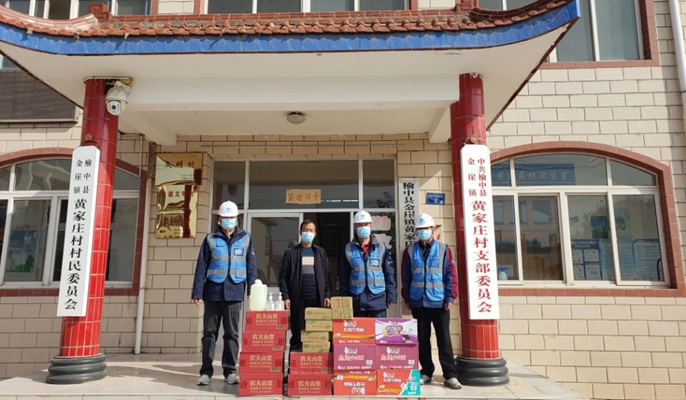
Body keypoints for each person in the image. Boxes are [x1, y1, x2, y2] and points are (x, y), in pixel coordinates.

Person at [191, 200, 257, 386]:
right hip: (213, 292)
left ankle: (230, 371)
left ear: (237, 218)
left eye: (232, 217)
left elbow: (251, 267)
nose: (229, 220)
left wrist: (252, 290)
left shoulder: (246, 238)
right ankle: (206, 371)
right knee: (209, 333)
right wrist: (197, 292)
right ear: (219, 219)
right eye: (226, 217)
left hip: (234, 292)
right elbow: (201, 267)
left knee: (232, 333)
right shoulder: (210, 239)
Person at [401, 213, 461, 390]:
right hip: (418, 301)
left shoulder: (443, 249)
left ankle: (450, 374)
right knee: (422, 339)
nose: (423, 231)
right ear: (416, 231)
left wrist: (451, 296)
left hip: (440, 301)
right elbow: (406, 276)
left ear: (432, 229)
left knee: (444, 339)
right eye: (419, 229)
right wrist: (407, 297)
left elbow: (450, 275)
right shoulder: (409, 251)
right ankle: (426, 372)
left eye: (426, 228)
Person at [279, 220, 332, 351]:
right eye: (305, 230)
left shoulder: (320, 253)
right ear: (300, 232)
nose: (308, 233)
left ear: (315, 233)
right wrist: (286, 296)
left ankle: (314, 362)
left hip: (317, 299)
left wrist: (327, 295)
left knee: (316, 334)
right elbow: (283, 277)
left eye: (310, 230)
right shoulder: (291, 253)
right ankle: (295, 362)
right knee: (298, 334)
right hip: (298, 300)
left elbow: (327, 276)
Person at [339, 210, 396, 317]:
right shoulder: (348, 249)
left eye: (366, 224)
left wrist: (391, 295)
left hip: (378, 299)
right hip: (357, 299)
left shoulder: (381, 247)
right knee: (360, 328)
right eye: (360, 225)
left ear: (370, 226)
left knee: (379, 328)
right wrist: (344, 298)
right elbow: (343, 276)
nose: (363, 227)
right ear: (355, 227)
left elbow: (389, 273)